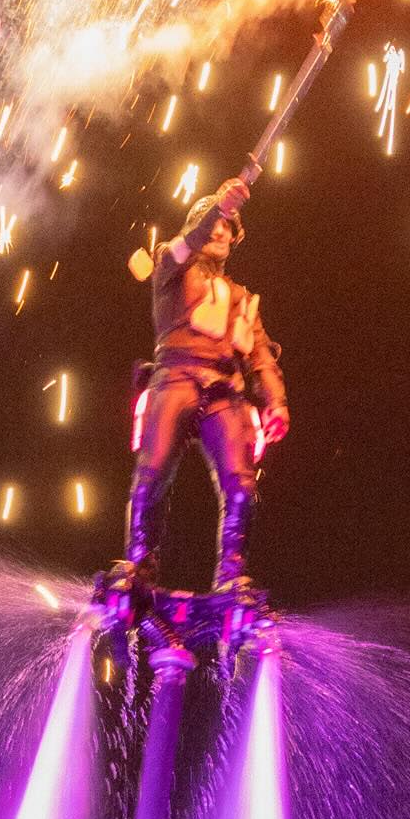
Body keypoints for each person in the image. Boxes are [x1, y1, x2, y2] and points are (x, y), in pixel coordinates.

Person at [118, 168, 289, 597]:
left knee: (242, 484)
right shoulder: (170, 265)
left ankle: (232, 572)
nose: (221, 231)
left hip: (224, 390)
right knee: (153, 471)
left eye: (228, 227)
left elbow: (261, 355)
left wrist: (276, 401)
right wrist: (220, 206)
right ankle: (139, 563)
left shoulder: (242, 299)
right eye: (214, 224)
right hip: (175, 377)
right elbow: (186, 242)